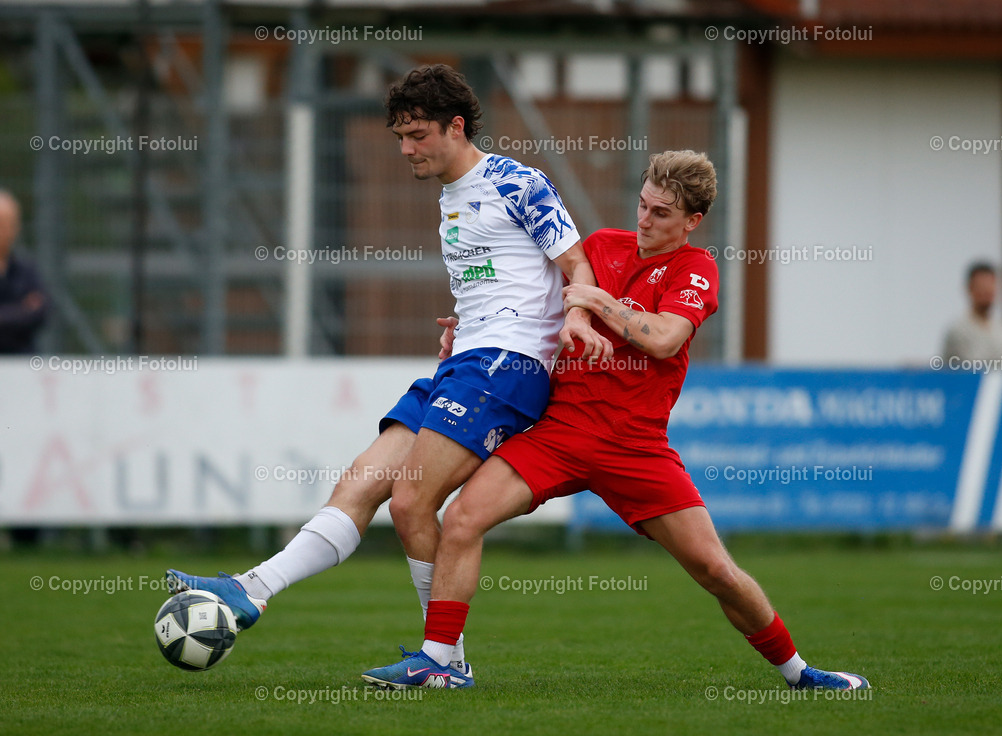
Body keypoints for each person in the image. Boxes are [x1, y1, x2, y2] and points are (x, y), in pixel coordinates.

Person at [166, 64, 611, 686]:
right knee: (362, 482)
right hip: (465, 362)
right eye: (400, 136)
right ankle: (250, 589)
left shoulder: (516, 181)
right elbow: (500, 277)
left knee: (410, 501)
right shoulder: (449, 198)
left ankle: (443, 661)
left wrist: (579, 319)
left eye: (417, 135)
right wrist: (462, 319)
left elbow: (577, 262)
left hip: (507, 367)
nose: (406, 149)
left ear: (456, 128)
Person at [363, 150, 870, 692]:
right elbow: (529, 291)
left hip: (635, 446)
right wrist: (467, 327)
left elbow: (666, 337)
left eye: (661, 214)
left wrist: (599, 303)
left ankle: (800, 674)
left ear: (692, 222)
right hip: (559, 433)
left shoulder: (695, 269)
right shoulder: (601, 246)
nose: (644, 221)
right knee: (463, 517)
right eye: (643, 205)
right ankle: (442, 660)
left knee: (716, 571)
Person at [942, 261, 1002, 366]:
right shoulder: (958, 331)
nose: (987, 291)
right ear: (970, 288)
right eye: (982, 286)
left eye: (991, 286)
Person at [0, 190, 49, 354]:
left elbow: (40, 314)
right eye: (1, 224)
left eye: (10, 224)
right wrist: (20, 310)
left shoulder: (26, 270)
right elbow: (27, 314)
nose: (5, 231)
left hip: (22, 364)